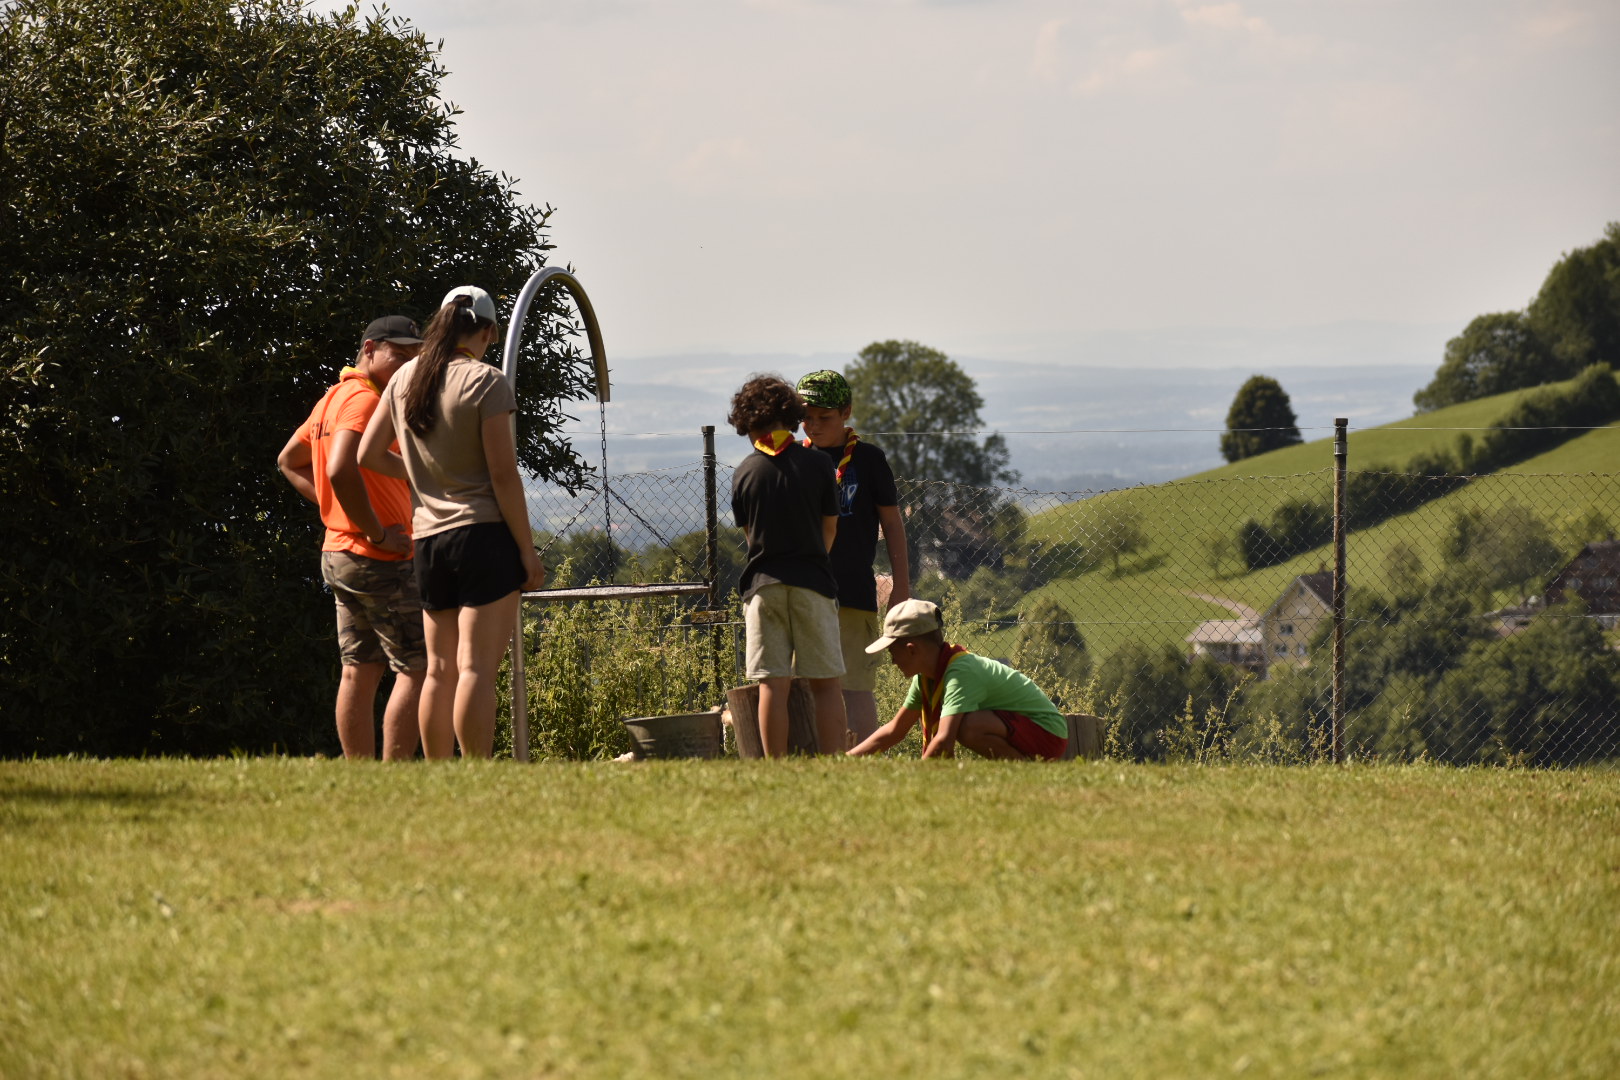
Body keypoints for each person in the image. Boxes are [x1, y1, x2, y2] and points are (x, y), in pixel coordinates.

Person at [358, 286, 545, 759]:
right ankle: (477, 773)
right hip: (483, 538)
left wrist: (422, 476)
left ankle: (439, 773)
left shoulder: (405, 379)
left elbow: (368, 454)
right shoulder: (486, 381)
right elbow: (502, 475)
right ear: (489, 332)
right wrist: (527, 552)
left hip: (429, 541)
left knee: (439, 670)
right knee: (476, 668)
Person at [277, 316, 428, 761]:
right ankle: (394, 777)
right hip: (378, 558)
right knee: (418, 669)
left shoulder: (332, 398)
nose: (406, 365)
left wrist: (338, 512)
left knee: (359, 670)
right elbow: (340, 466)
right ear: (369, 349)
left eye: (413, 357)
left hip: (342, 553)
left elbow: (289, 461)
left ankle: (359, 776)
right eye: (398, 355)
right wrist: (374, 531)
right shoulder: (364, 400)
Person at [727, 374, 849, 757]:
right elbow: (830, 528)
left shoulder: (745, 471)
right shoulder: (819, 464)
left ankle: (775, 767)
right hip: (813, 582)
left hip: (764, 586)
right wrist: (812, 557)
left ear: (748, 424)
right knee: (826, 684)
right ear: (794, 417)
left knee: (771, 685)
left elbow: (751, 537)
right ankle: (834, 763)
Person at [795, 369, 910, 743]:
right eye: (806, 417)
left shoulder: (869, 459)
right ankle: (810, 761)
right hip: (802, 594)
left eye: (824, 417)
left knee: (855, 687)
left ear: (846, 413)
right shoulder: (794, 459)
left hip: (853, 591)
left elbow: (892, 523)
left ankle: (863, 760)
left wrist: (901, 587)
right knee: (802, 685)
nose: (813, 425)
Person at [849, 599, 1069, 760]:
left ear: (911, 649)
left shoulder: (960, 672)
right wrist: (846, 759)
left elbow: (944, 740)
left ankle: (1024, 774)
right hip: (1024, 729)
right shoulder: (926, 677)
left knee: (968, 727)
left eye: (892, 652)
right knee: (969, 725)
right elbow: (895, 730)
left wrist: (917, 782)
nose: (892, 661)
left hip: (1047, 733)